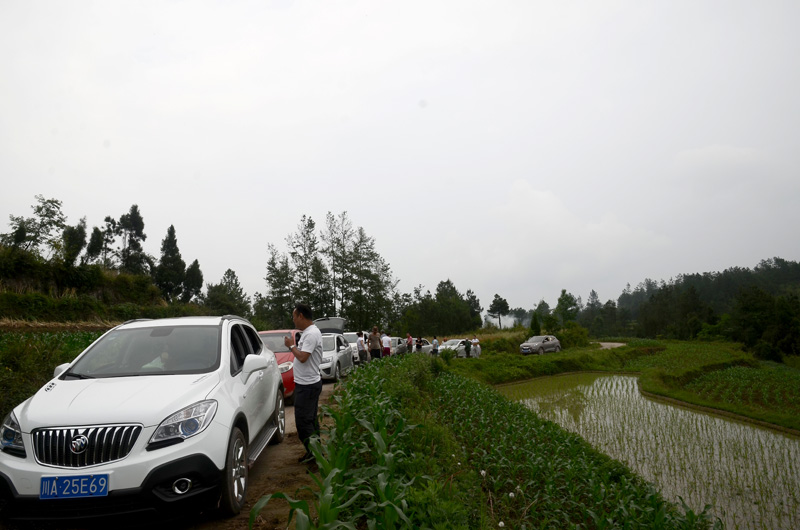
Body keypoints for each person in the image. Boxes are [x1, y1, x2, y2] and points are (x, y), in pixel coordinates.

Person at [283, 303, 323, 463]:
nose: (293, 320)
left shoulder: (311, 334)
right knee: (311, 420)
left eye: (294, 317)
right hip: (307, 384)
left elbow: (302, 357)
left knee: (303, 422)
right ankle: (314, 453)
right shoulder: (308, 332)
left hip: (307, 386)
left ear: (301, 316)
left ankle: (314, 456)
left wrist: (291, 345)